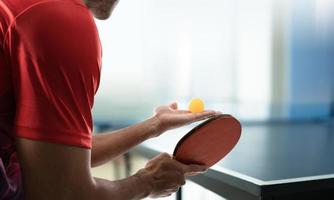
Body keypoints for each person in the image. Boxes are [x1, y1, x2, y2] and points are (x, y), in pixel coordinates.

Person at [0, 0, 219, 199]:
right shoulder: (59, 19)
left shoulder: (24, 8)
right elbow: (63, 193)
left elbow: (56, 158)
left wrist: (155, 125)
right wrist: (148, 181)